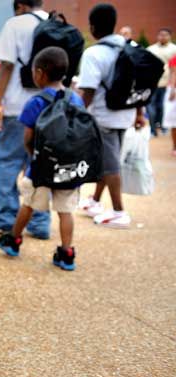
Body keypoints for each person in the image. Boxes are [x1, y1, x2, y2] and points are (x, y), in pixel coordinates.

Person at [0, 47, 83, 271]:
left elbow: (28, 137)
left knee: (28, 204)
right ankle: (66, 253)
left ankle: (14, 239)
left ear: (40, 73)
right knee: (66, 210)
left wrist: (30, 157)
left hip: (41, 167)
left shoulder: (36, 102)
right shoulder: (75, 99)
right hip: (68, 168)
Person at [0, 0, 51, 239]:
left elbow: (6, 67)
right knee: (41, 164)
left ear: (20, 5)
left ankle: (3, 218)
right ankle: (41, 222)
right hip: (48, 106)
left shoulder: (15, 24)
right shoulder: (55, 22)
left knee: (8, 162)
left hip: (16, 106)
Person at [77, 3, 145, 229]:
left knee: (110, 164)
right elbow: (139, 84)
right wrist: (139, 113)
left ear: (93, 27)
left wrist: (74, 113)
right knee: (109, 160)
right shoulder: (129, 47)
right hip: (125, 113)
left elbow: (87, 91)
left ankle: (118, 211)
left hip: (104, 116)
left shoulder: (94, 53)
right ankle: (95, 201)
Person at [147, 28, 176, 136]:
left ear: (170, 36)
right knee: (151, 107)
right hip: (153, 82)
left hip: (167, 83)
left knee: (162, 106)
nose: (163, 37)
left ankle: (162, 126)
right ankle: (153, 129)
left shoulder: (174, 49)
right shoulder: (151, 49)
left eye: (165, 35)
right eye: (161, 35)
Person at [164, 55, 176, 156]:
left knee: (174, 123)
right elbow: (173, 74)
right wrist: (172, 90)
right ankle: (175, 147)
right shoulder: (174, 59)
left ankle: (175, 147)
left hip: (173, 91)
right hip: (174, 91)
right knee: (173, 123)